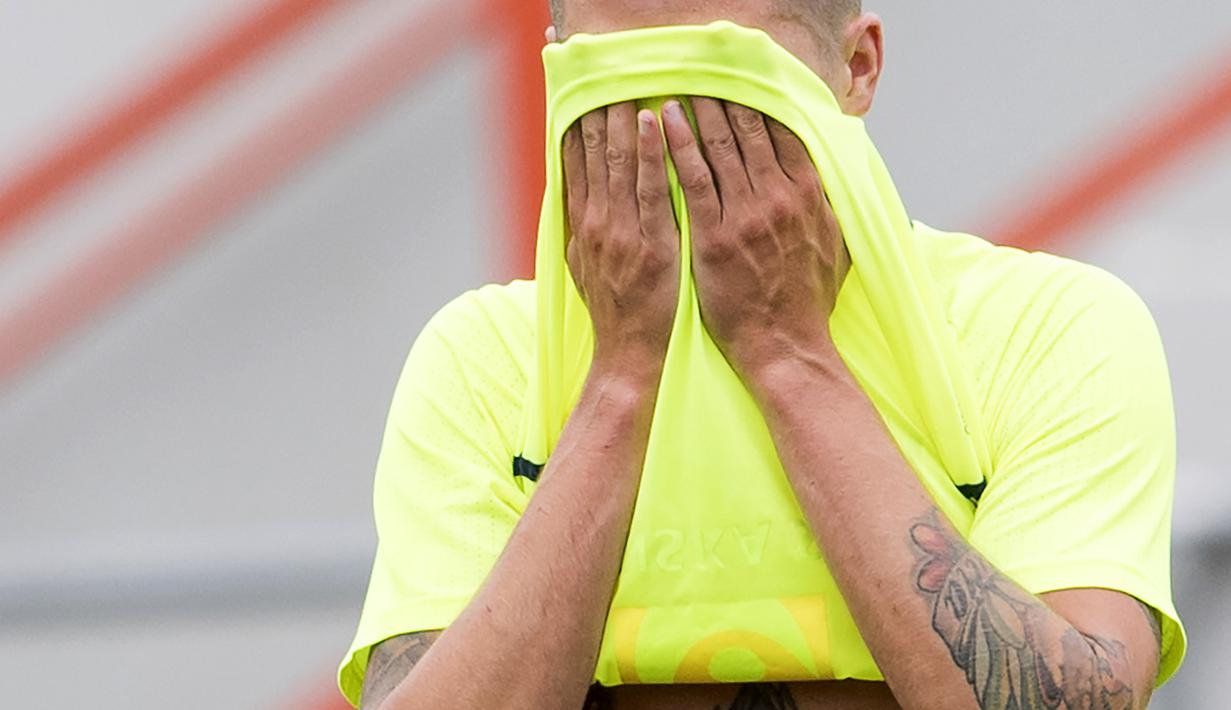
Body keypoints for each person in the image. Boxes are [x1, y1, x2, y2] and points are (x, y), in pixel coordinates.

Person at [338, 1, 1184, 708]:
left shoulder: (1044, 327)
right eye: (620, 93)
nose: (678, 143)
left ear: (856, 69)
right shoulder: (484, 359)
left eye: (732, 97)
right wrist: (621, 376)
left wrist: (788, 355)